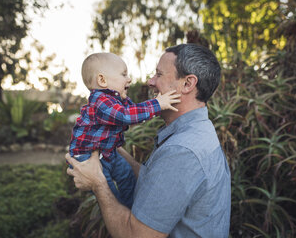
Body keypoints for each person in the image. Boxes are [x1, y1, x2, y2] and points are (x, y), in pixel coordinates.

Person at [66, 44, 231, 237]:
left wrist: (97, 183)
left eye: (159, 75)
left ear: (187, 84)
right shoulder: (198, 131)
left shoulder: (182, 151)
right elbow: (158, 181)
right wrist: (107, 145)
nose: (150, 81)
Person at [69, 52, 180, 208]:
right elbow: (125, 115)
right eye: (123, 74)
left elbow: (135, 112)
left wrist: (156, 108)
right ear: (102, 80)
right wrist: (157, 104)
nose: (129, 79)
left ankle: (132, 206)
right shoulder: (100, 101)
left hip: (107, 153)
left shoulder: (117, 99)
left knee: (127, 175)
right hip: (87, 157)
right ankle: (122, 212)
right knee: (108, 190)